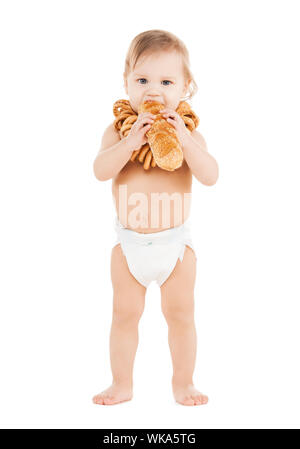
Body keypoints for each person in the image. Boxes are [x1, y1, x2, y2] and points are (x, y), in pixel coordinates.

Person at [92, 29, 218, 406]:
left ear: (185, 88)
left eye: (166, 81)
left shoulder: (191, 133)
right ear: (126, 82)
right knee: (123, 316)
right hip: (129, 246)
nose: (153, 90)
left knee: (180, 316)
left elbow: (210, 175)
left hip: (175, 246)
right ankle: (121, 384)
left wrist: (185, 140)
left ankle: (184, 383)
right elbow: (100, 170)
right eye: (142, 80)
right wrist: (130, 144)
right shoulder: (118, 131)